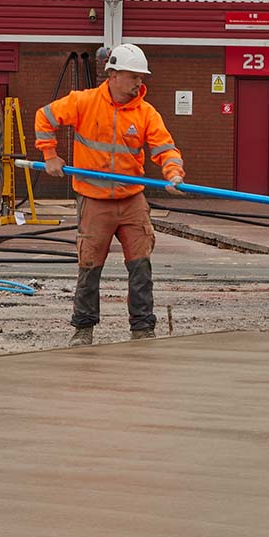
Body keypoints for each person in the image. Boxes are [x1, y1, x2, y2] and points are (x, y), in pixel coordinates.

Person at [34, 43, 185, 347]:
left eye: (141, 78)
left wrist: (174, 173)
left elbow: (164, 147)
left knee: (140, 266)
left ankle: (142, 328)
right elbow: (44, 117)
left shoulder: (145, 112)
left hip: (131, 200)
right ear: (113, 75)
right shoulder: (84, 102)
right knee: (89, 267)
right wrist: (49, 156)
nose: (139, 83)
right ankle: (83, 329)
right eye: (133, 77)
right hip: (94, 200)